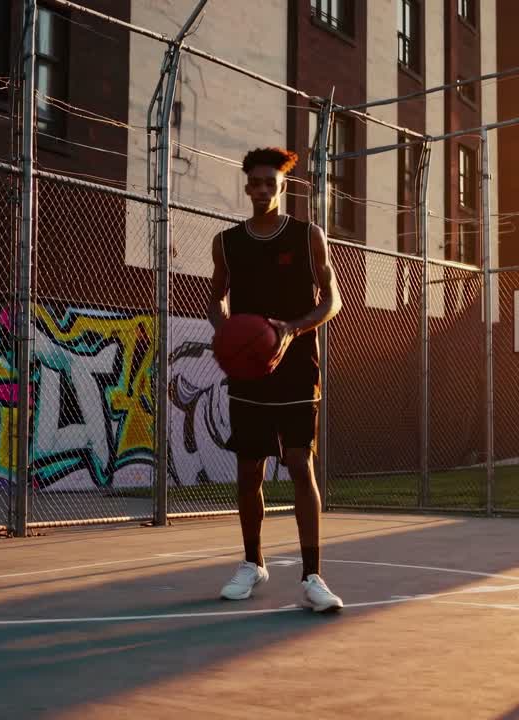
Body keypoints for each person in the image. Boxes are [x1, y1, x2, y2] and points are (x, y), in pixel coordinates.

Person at [206, 147, 344, 612]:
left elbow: (332, 301)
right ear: (247, 187)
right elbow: (216, 298)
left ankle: (313, 576)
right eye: (256, 183)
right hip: (250, 370)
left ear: (283, 187)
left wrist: (292, 329)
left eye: (271, 183)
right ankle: (252, 563)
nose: (263, 190)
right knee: (250, 471)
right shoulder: (227, 243)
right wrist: (225, 332)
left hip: (298, 366)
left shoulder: (308, 236)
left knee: (300, 465)